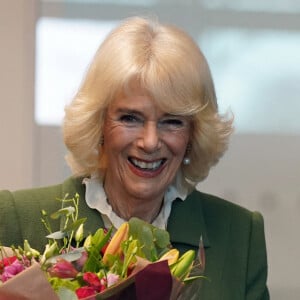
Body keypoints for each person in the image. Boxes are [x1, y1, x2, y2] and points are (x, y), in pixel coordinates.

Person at [0, 16, 269, 299]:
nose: (150, 142)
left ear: (194, 134)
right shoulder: (16, 220)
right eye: (130, 118)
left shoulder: (240, 234)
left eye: (172, 121)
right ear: (99, 125)